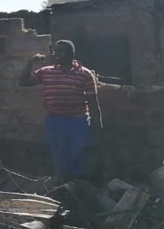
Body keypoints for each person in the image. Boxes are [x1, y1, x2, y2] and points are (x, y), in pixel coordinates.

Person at [19, 40, 103, 182]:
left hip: (79, 121)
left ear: (71, 54)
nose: (56, 55)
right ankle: (62, 185)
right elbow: (23, 82)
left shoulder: (85, 74)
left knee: (79, 154)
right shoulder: (47, 72)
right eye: (55, 51)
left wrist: (98, 127)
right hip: (56, 120)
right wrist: (31, 62)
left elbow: (93, 103)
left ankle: (78, 186)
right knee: (58, 155)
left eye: (60, 51)